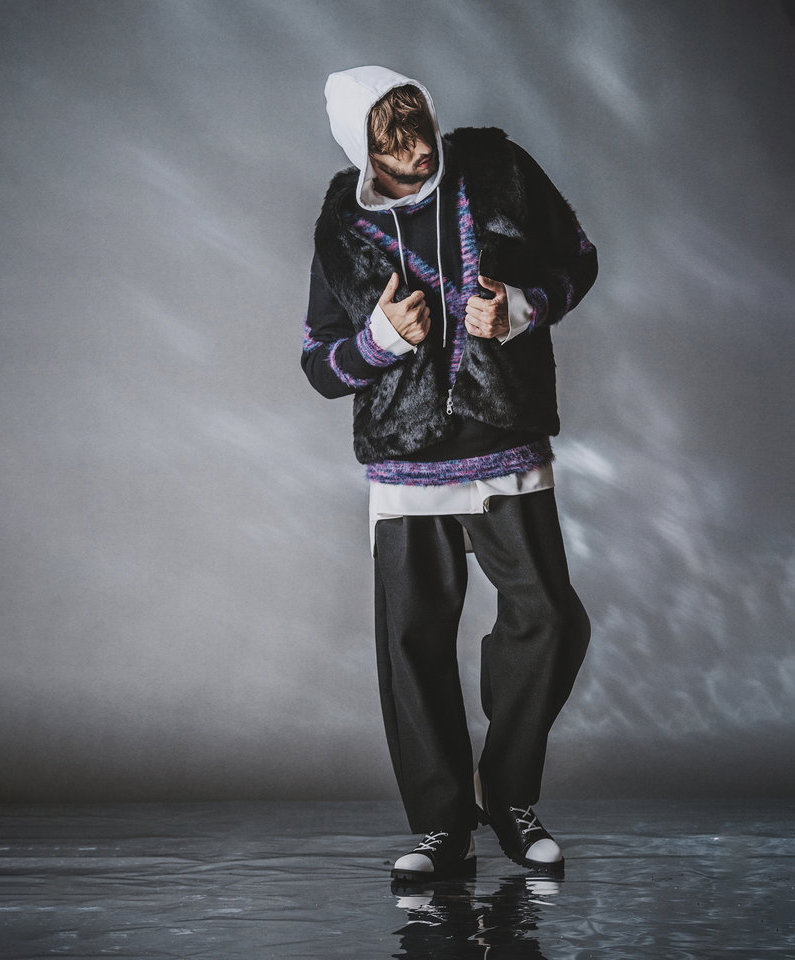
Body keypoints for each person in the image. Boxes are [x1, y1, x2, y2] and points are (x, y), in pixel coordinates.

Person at [302, 65, 598, 883]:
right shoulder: (340, 225)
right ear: (364, 155)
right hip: (404, 459)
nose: (418, 157)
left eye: (422, 136)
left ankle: (504, 792)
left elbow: (578, 259)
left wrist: (523, 308)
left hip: (505, 437)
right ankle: (442, 828)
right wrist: (379, 341)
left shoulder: (498, 167)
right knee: (414, 643)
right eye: (395, 151)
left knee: (551, 619)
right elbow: (319, 364)